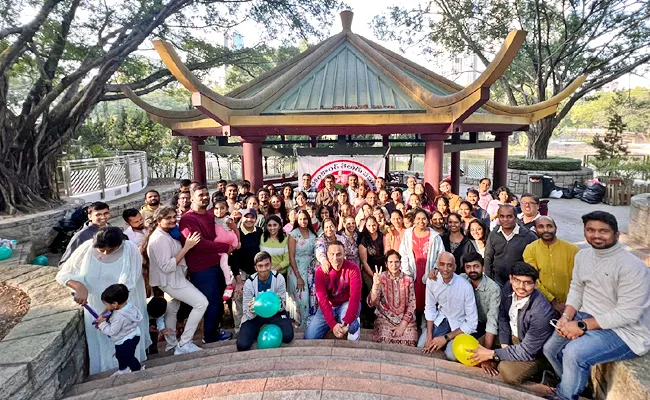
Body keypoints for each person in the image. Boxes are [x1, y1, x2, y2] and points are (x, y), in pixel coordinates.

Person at [543, 211, 650, 400]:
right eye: (590, 230)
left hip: (625, 331)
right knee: (550, 349)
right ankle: (576, 385)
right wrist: (566, 317)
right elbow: (576, 288)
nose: (596, 235)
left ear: (617, 235)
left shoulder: (633, 267)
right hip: (586, 316)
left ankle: (565, 396)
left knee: (574, 353)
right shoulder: (583, 256)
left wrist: (582, 326)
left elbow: (628, 314)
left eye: (603, 231)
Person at [56, 227, 151, 374]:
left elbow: (128, 283)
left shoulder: (130, 249)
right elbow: (63, 274)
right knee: (102, 340)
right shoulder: (86, 248)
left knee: (122, 338)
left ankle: (129, 368)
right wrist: (78, 286)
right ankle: (106, 370)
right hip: (95, 304)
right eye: (102, 249)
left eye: (111, 250)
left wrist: (110, 309)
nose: (106, 253)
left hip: (120, 305)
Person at [468, 262, 555, 385]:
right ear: (510, 278)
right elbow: (503, 317)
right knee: (471, 348)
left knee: (507, 372)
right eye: (517, 280)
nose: (521, 287)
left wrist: (491, 354)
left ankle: (542, 370)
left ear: (535, 284)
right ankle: (502, 356)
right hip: (512, 336)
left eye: (527, 283)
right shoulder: (508, 287)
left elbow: (527, 351)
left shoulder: (541, 312)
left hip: (533, 351)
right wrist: (504, 345)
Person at [144, 205, 207, 354]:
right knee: (201, 303)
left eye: (174, 217)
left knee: (172, 310)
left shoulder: (166, 234)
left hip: (174, 278)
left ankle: (171, 345)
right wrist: (187, 247)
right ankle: (185, 342)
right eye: (168, 218)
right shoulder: (159, 239)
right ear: (159, 220)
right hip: (171, 280)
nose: (173, 220)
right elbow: (167, 266)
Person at [427, 251, 500, 375]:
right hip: (459, 320)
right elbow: (446, 269)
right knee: (428, 345)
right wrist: (434, 271)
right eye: (468, 267)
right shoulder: (463, 278)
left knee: (452, 354)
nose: (472, 270)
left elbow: (491, 325)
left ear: (483, 268)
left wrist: (485, 355)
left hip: (481, 327)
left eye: (476, 266)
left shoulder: (493, 289)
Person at [179, 185, 233, 344]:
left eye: (206, 194)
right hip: (202, 269)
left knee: (218, 302)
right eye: (200, 195)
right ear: (192, 198)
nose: (204, 197)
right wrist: (225, 247)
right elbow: (198, 244)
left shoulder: (210, 214)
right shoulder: (188, 219)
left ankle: (214, 330)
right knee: (212, 303)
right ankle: (209, 336)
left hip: (217, 266)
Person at [420, 252, 478, 362]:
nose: (445, 269)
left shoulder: (465, 287)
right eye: (442, 264)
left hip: (459, 325)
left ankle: (446, 344)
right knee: (422, 346)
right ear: (437, 265)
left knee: (451, 355)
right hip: (441, 320)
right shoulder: (432, 280)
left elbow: (472, 323)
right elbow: (430, 308)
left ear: (455, 267)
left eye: (449, 265)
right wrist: (429, 336)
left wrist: (445, 338)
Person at [236, 251, 294, 351]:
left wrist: (278, 304)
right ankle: (259, 330)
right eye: (260, 266)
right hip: (255, 316)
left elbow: (283, 304)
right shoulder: (249, 283)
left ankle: (268, 327)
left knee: (288, 336)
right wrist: (252, 309)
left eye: (267, 265)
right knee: (242, 345)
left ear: (271, 264)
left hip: (275, 313)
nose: (264, 269)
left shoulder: (279, 278)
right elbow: (246, 311)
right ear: (256, 268)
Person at [304, 241, 362, 340]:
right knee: (310, 337)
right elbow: (322, 299)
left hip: (346, 304)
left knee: (352, 327)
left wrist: (347, 322)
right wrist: (333, 325)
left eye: (339, 254)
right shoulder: (320, 271)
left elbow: (355, 297)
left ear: (344, 254)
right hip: (328, 306)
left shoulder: (353, 269)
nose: (335, 258)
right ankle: (333, 323)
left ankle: (353, 321)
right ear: (327, 255)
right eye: (332, 254)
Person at [523, 216, 579, 315]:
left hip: (572, 304)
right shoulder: (530, 250)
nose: (546, 230)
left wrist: (570, 303)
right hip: (542, 302)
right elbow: (534, 280)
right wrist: (553, 301)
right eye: (541, 227)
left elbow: (579, 279)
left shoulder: (573, 250)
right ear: (536, 230)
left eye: (549, 226)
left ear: (555, 228)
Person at [399, 208, 445, 326]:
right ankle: (411, 324)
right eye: (418, 218)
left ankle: (425, 325)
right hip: (411, 272)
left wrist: (434, 269)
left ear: (428, 220)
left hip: (428, 273)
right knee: (410, 300)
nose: (421, 221)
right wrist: (406, 271)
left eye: (424, 218)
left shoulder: (435, 236)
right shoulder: (408, 233)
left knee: (427, 301)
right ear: (413, 220)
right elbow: (403, 253)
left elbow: (441, 256)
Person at [367, 250, 418, 346]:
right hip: (385, 318)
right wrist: (375, 285)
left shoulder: (408, 279)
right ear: (386, 264)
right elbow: (372, 303)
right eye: (390, 262)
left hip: (405, 319)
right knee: (384, 339)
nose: (394, 265)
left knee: (411, 340)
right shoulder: (381, 277)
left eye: (396, 262)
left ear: (400, 263)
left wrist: (402, 325)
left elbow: (412, 303)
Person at [96, 284, 144, 375]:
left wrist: (102, 324)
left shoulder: (119, 316)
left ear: (115, 304)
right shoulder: (128, 306)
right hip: (132, 335)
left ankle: (137, 370)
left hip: (125, 339)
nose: (106, 307)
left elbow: (112, 331)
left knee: (128, 357)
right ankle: (123, 369)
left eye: (106, 304)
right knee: (120, 355)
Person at [484, 205, 537, 285]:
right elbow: (488, 257)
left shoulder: (528, 236)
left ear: (516, 218)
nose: (505, 219)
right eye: (502, 216)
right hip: (497, 280)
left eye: (509, 216)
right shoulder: (494, 234)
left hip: (519, 282)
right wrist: (488, 279)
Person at [229, 208, 263, 333]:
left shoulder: (259, 231)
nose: (249, 219)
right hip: (241, 272)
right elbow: (233, 258)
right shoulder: (236, 234)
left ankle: (254, 327)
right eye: (246, 217)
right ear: (242, 218)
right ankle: (239, 329)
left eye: (252, 217)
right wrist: (238, 280)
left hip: (255, 273)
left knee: (255, 301)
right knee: (239, 300)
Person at [287, 210, 318, 328]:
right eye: (300, 219)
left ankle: (310, 325)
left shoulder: (313, 234)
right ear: (296, 220)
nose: (303, 221)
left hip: (310, 270)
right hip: (296, 270)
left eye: (305, 219)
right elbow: (291, 256)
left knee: (311, 299)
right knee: (303, 299)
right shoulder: (293, 234)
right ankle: (302, 326)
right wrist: (298, 277)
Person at [59, 201, 111, 266]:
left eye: (106, 213)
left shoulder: (111, 230)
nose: (103, 217)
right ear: (90, 216)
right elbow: (65, 262)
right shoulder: (81, 236)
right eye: (98, 215)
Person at [212, 197, 240, 300]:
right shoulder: (212, 219)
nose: (219, 211)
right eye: (216, 208)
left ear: (227, 208)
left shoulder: (227, 220)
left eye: (222, 208)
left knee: (224, 263)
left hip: (227, 246)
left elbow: (236, 230)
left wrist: (238, 242)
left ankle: (229, 284)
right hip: (217, 246)